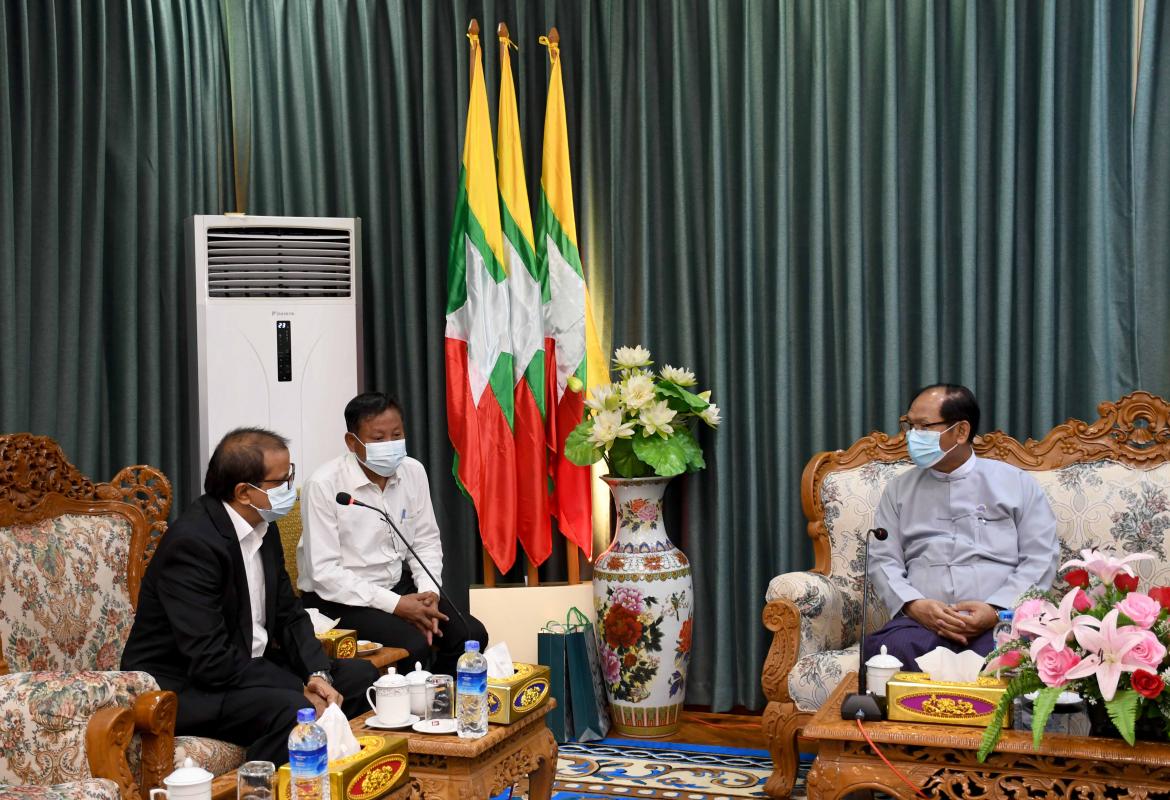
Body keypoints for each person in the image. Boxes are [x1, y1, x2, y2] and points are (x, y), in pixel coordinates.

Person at [121, 428, 378, 764]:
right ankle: (262, 783)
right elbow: (210, 659)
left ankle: (339, 771)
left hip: (248, 669)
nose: (290, 489)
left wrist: (317, 674)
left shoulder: (264, 527)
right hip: (187, 686)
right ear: (244, 492)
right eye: (281, 482)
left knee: (360, 679)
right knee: (294, 707)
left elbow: (289, 613)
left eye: (291, 476)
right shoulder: (193, 544)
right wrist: (295, 686)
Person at [864, 384, 1059, 670]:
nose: (912, 436)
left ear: (961, 431)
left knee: (1016, 653)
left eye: (924, 427)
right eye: (910, 425)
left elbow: (1041, 557)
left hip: (1000, 621)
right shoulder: (898, 490)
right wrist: (914, 605)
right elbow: (883, 559)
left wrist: (996, 609)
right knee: (890, 651)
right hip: (922, 624)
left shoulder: (1017, 483)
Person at [297, 391, 488, 675]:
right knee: (413, 646)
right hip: (339, 599)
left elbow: (425, 541)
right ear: (352, 442)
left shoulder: (412, 471)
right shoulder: (324, 485)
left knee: (470, 634)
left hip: (398, 586)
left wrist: (428, 594)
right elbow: (325, 574)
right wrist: (397, 606)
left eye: (396, 435)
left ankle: (439, 695)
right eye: (378, 438)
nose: (390, 445)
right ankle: (409, 702)